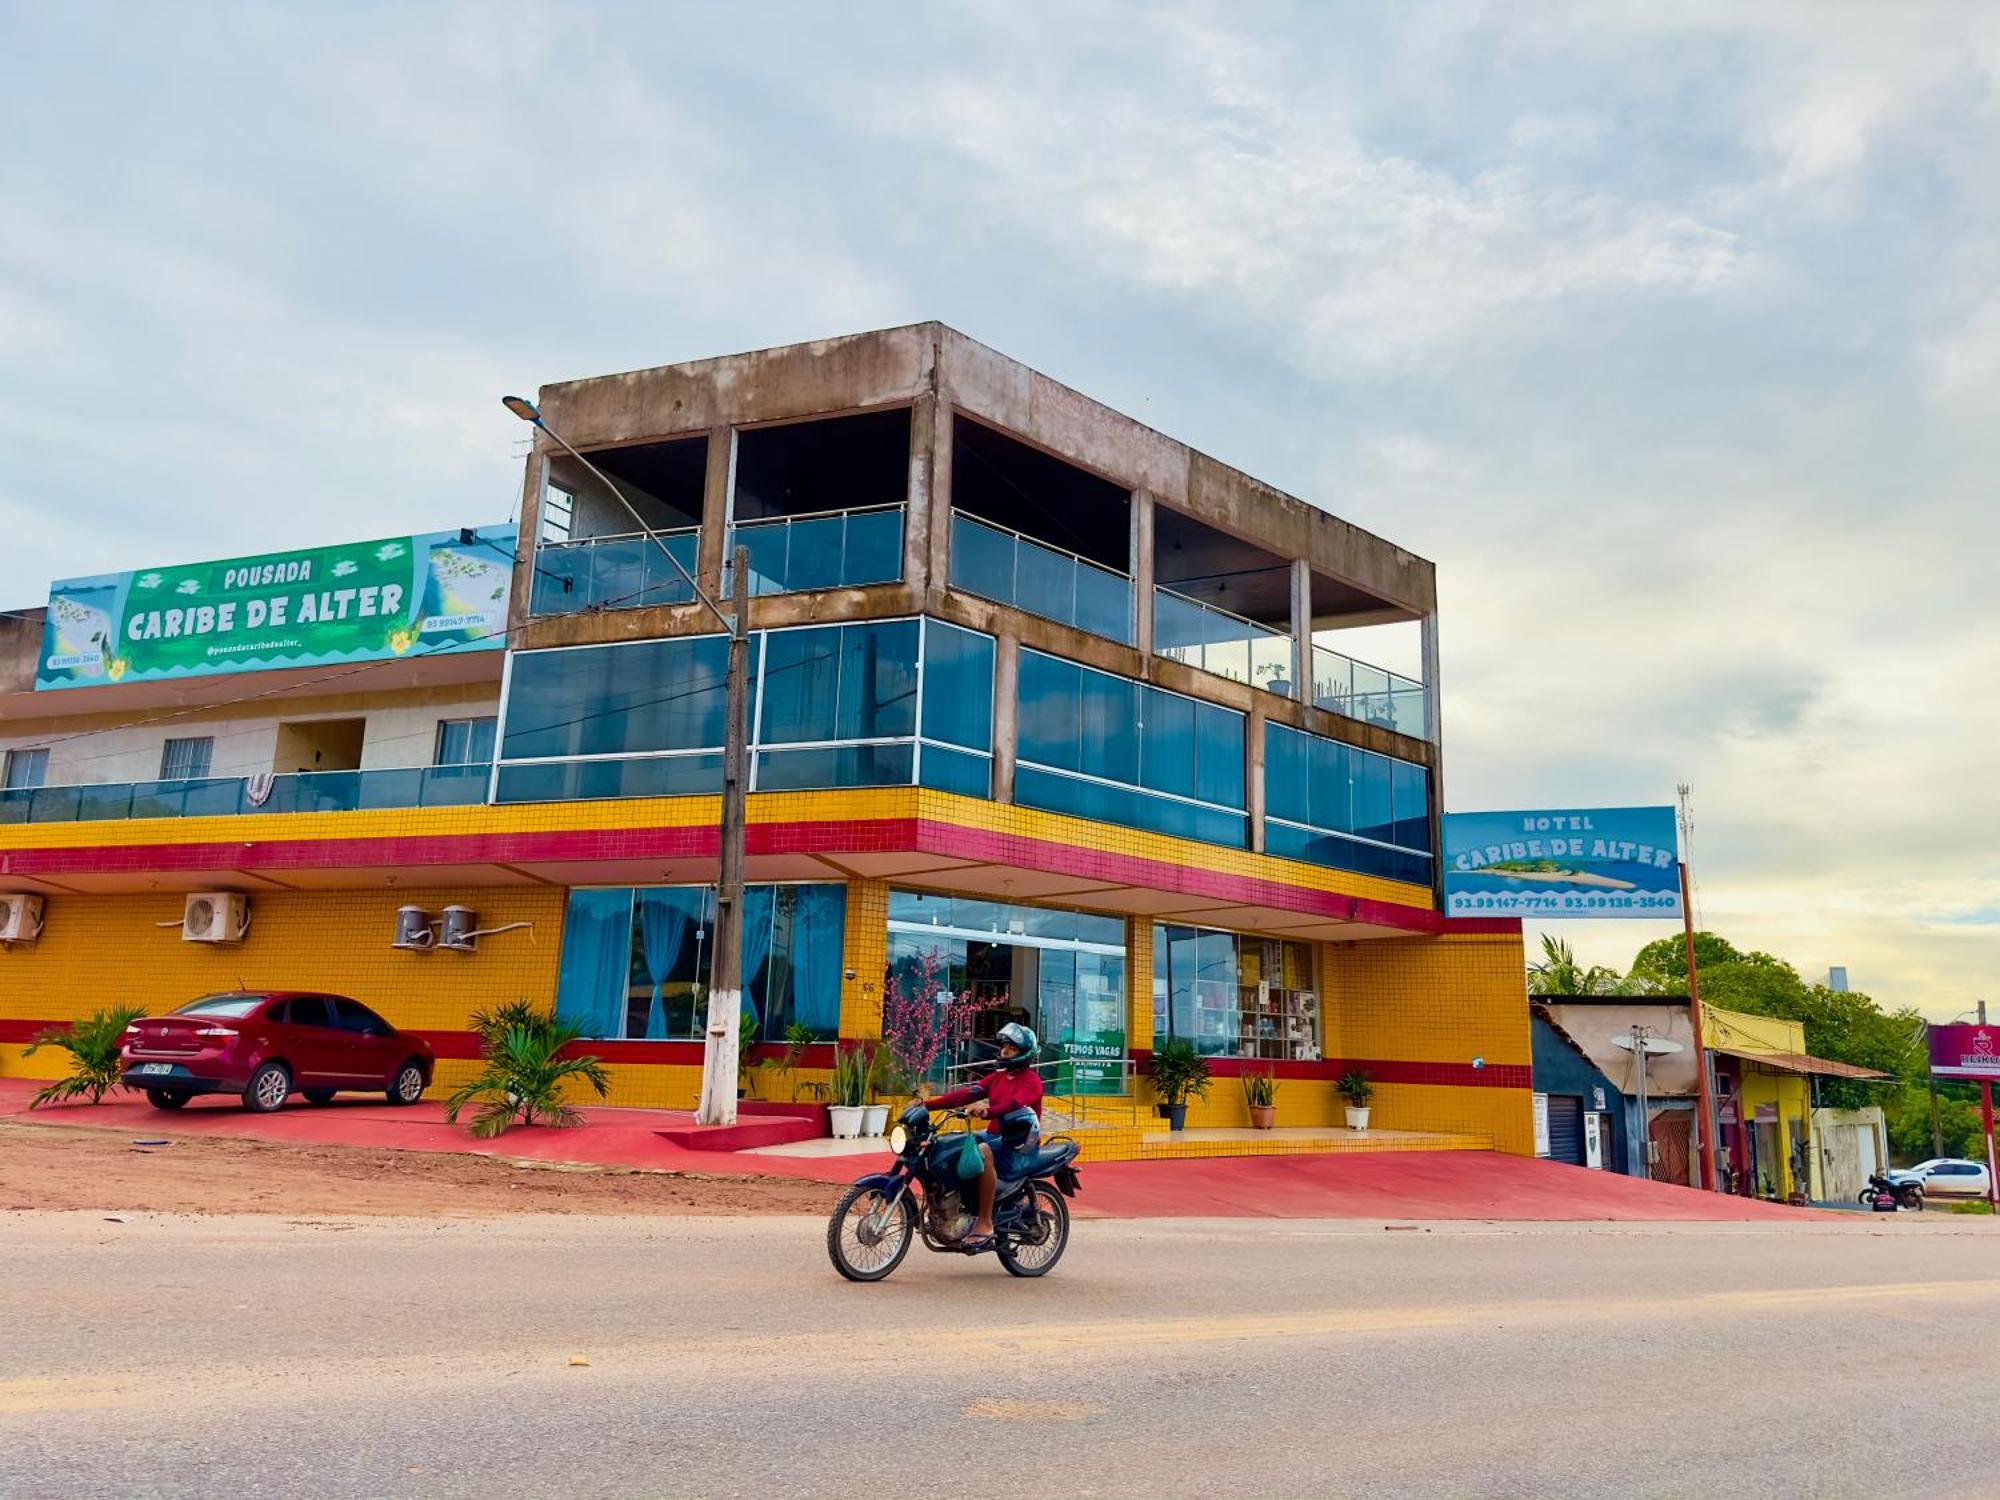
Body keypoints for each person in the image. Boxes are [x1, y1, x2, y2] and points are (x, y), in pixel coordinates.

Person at [923, 1021, 1042, 1248]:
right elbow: (966, 1094)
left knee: (983, 1151)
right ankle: (954, 1206)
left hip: (1018, 1146)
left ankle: (985, 1222)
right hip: (994, 1137)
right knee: (950, 1145)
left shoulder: (1032, 1081)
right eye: (1004, 1046)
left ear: (1025, 1053)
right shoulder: (997, 1078)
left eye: (1012, 1048)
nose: (1005, 1051)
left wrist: (987, 1111)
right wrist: (926, 1106)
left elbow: (1014, 1104)